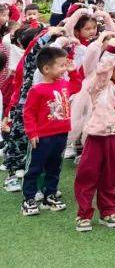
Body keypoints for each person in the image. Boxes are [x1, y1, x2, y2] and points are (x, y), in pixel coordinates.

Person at [71, 35, 115, 232]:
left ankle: (108, 211)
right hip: (97, 137)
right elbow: (103, 70)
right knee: (87, 175)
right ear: (111, 66)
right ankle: (84, 213)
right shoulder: (99, 85)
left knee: (111, 176)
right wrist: (111, 51)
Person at [21, 45, 71, 216]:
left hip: (61, 134)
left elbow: (78, 86)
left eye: (66, 64)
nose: (65, 68)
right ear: (46, 69)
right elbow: (28, 113)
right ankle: (28, 199)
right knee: (35, 168)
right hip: (42, 137)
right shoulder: (37, 89)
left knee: (54, 167)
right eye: (62, 65)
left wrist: (75, 70)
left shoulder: (65, 84)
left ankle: (49, 195)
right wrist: (32, 133)